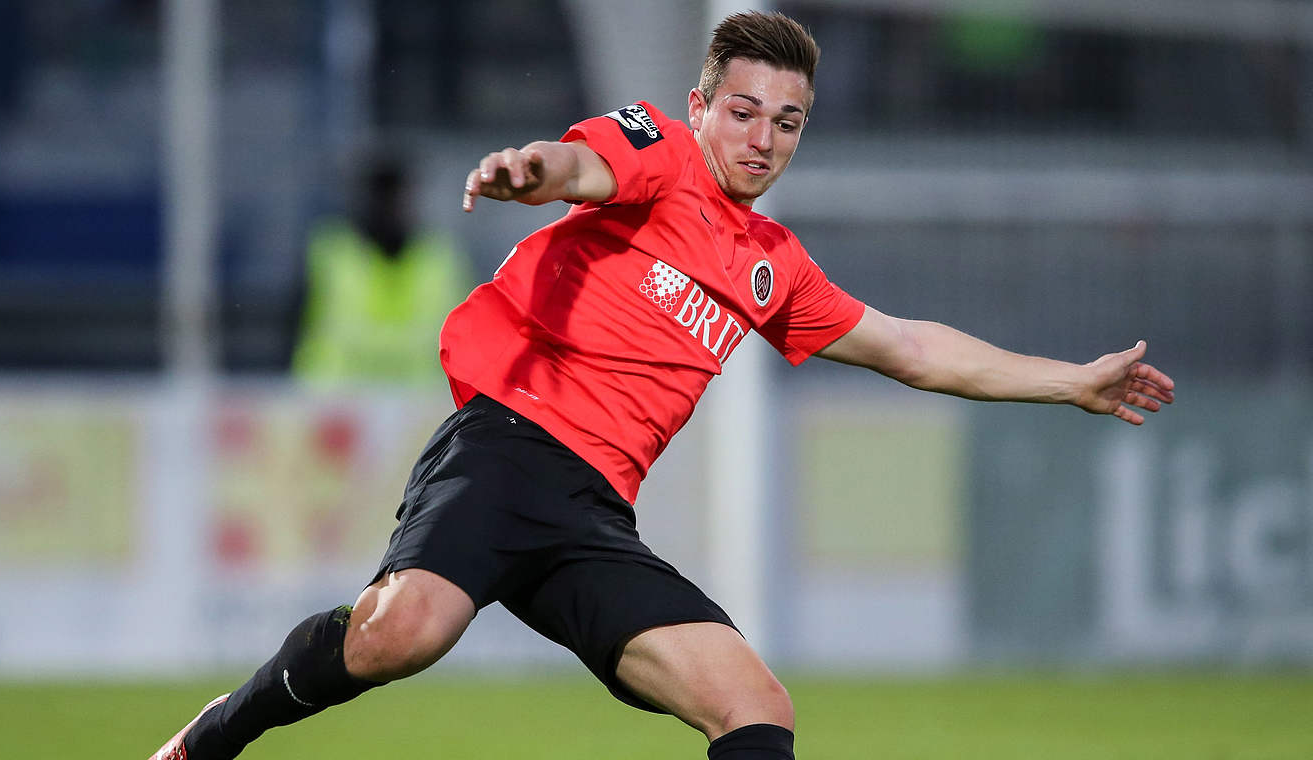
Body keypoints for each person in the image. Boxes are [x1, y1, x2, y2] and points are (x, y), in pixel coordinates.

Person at [150, 11, 1174, 760]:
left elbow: (907, 345)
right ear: (699, 107)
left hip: (592, 515)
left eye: (788, 121)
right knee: (402, 634)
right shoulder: (661, 152)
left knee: (755, 703)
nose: (761, 137)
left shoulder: (773, 261)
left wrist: (1069, 382)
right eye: (743, 111)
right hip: (503, 451)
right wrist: (526, 173)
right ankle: (215, 734)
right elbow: (578, 166)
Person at [291, 152, 470, 387]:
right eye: (380, 197)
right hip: (339, 408)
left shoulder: (440, 257)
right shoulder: (331, 252)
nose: (387, 208)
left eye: (393, 198)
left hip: (422, 408)